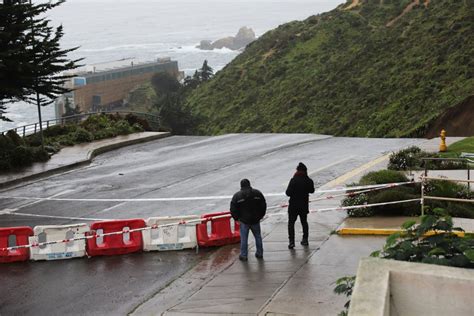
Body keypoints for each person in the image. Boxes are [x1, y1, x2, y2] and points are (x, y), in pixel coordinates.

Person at [230, 179, 267, 261]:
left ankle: (244, 255)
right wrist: (260, 215)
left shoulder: (237, 196)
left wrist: (236, 218)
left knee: (244, 239)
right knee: (258, 237)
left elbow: (233, 208)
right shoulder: (257, 193)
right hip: (255, 220)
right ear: (249, 184)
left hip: (244, 221)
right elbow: (263, 205)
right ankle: (259, 253)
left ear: (241, 186)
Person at [285, 162, 315, 249]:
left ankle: (291, 241)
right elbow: (312, 190)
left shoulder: (293, 180)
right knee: (304, 222)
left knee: (291, 223)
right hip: (303, 205)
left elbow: (288, 193)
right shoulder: (308, 180)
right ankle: (305, 239)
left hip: (293, 206)